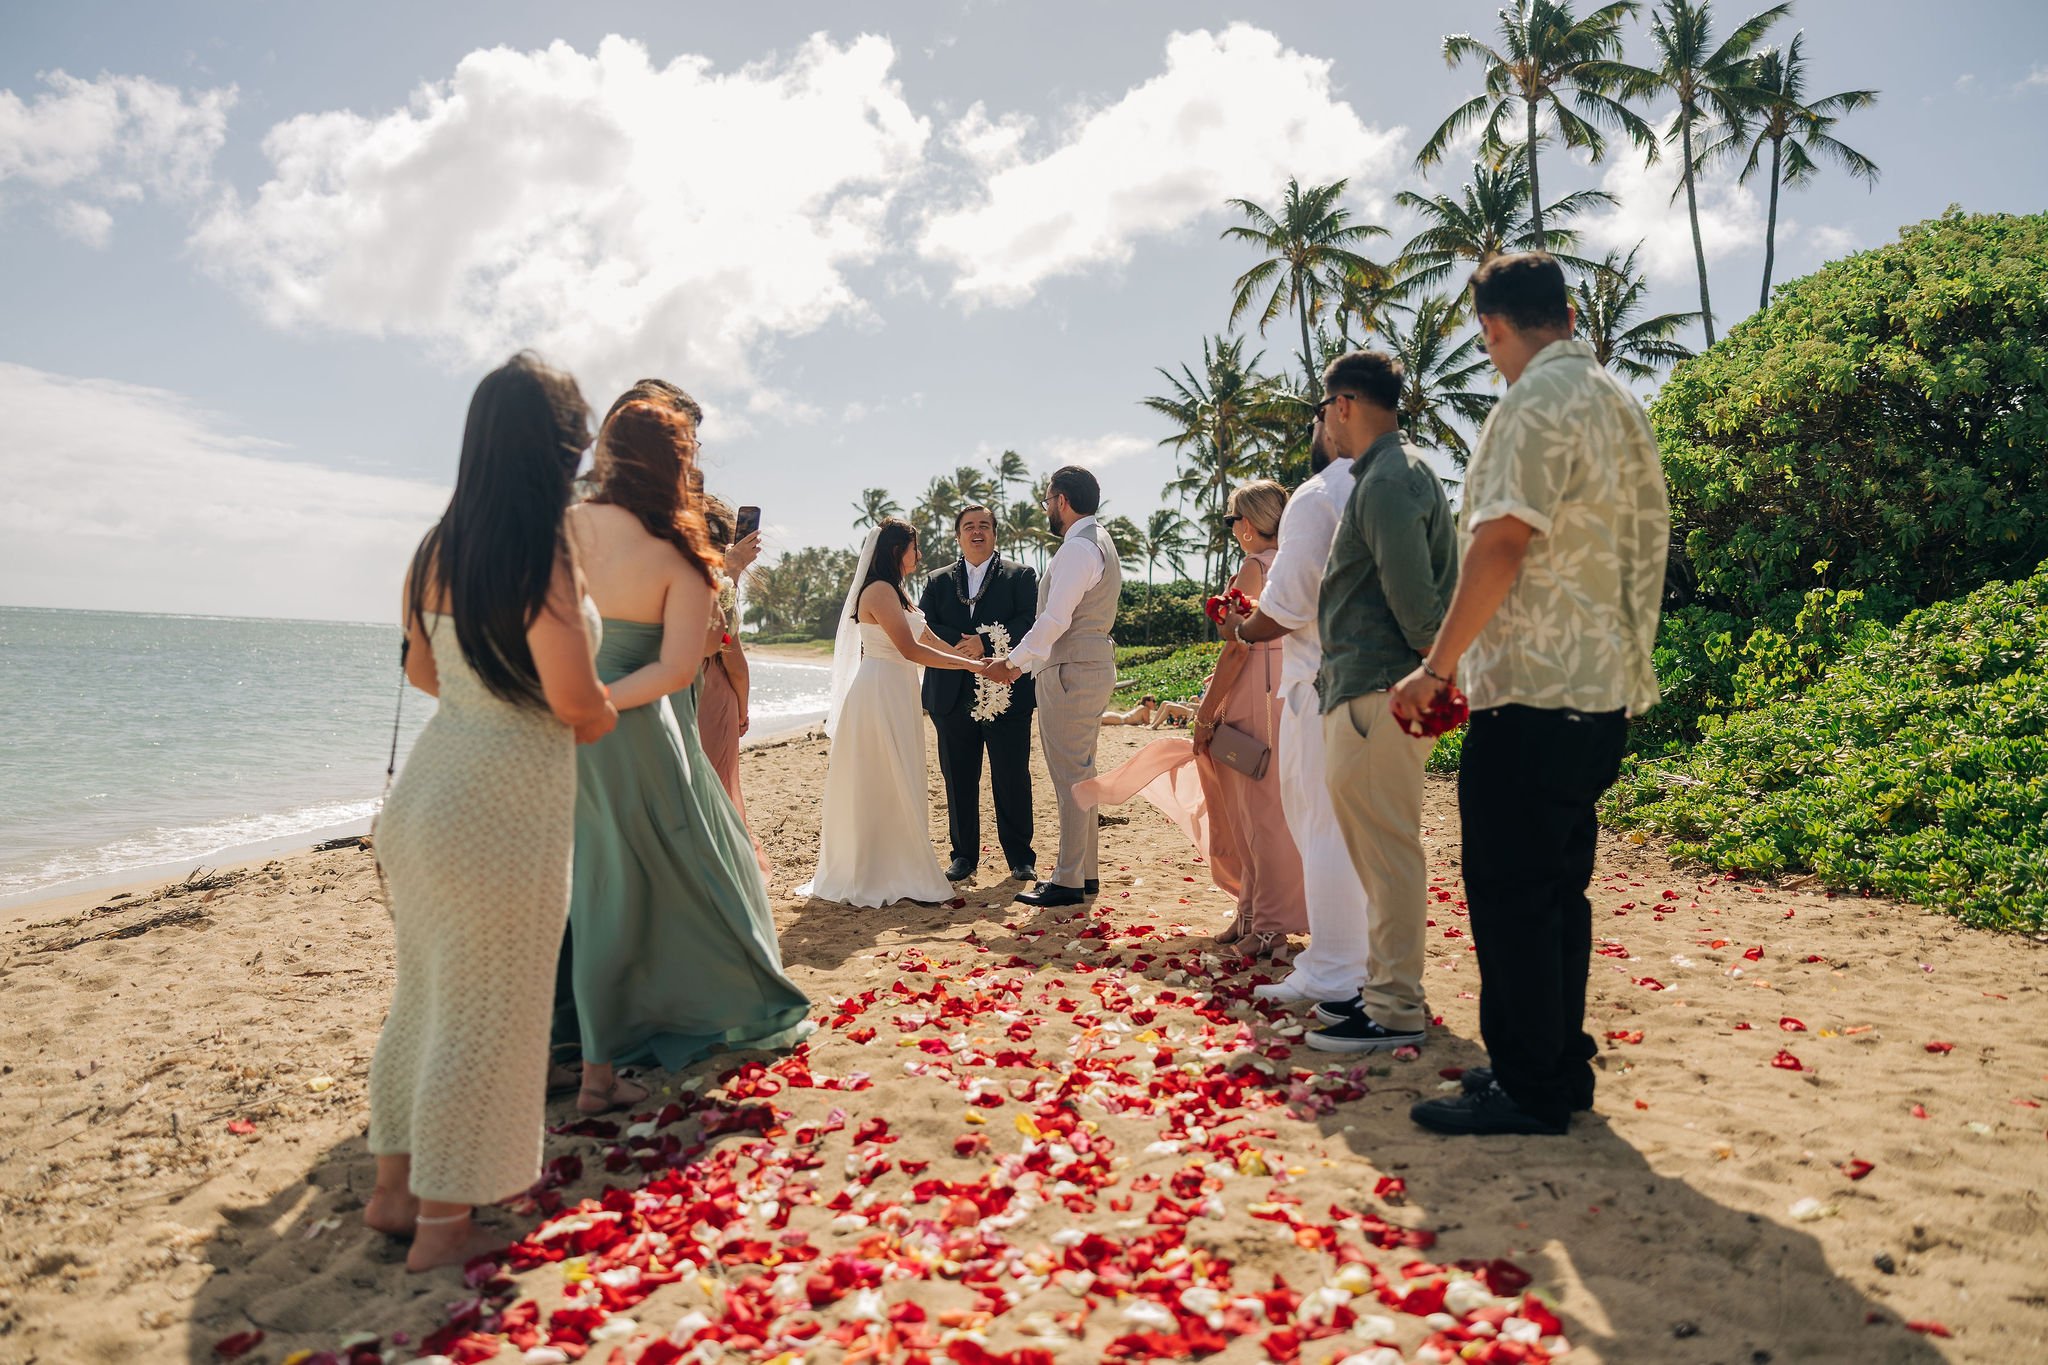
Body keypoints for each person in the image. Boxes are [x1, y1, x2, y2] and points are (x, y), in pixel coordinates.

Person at [1397, 252, 1669, 1137]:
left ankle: (1529, 1082)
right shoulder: (1616, 401)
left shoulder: (1534, 401)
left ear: (1496, 328)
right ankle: (1556, 1064)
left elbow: (1503, 542)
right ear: (1571, 311)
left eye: (1487, 344)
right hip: (1603, 688)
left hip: (1538, 687)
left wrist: (1438, 669)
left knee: (1512, 891)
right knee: (1558, 890)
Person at [367, 352, 617, 1273]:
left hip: (428, 794)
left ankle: (393, 1195)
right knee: (489, 1014)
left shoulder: (435, 548)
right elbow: (573, 698)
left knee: (424, 1000)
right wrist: (602, 710)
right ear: (550, 455)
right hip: (501, 807)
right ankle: (442, 1229)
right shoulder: (539, 557)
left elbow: (422, 673)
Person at [559, 394, 813, 1112]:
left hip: (558, 727)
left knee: (582, 887)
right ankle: (623, 1049)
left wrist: (566, 700)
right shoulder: (682, 556)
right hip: (637, 731)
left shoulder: (564, 530)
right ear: (679, 466)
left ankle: (572, 1044)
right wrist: (604, 701)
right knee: (671, 878)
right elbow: (677, 670)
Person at [1299, 350, 1458, 1054]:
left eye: (1325, 410)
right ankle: (1386, 990)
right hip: (1368, 688)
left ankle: (1395, 1002)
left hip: (1378, 691)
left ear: (1343, 407)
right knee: (1380, 849)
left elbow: (1419, 604)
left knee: (1389, 852)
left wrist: (1437, 674)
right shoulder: (1396, 471)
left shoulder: (1390, 478)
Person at [1220, 413, 1375, 1011]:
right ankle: (1328, 942)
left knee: (1302, 815)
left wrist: (1240, 627)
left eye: (1234, 518)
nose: (1233, 528)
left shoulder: (1314, 504)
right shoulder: (1396, 487)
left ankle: (1319, 952)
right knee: (1336, 821)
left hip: (1298, 685)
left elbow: (1270, 620)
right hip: (1366, 678)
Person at [801, 518, 992, 906]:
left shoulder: (900, 593)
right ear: (895, 551)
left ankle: (901, 860)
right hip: (879, 690)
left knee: (902, 773)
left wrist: (974, 657)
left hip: (899, 690)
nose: (919, 555)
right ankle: (879, 868)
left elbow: (929, 637)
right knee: (882, 777)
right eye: (914, 547)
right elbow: (910, 649)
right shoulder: (877, 592)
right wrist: (969, 667)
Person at [984, 467, 1122, 908]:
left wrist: (1013, 661)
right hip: (1088, 665)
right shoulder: (1100, 541)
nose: (1046, 508)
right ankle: (1084, 875)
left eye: (1047, 500)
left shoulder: (1078, 549)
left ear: (1062, 501)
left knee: (1070, 779)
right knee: (1083, 773)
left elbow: (1055, 619)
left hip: (1069, 671)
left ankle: (1066, 880)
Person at [1190, 481, 1308, 955]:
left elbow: (1237, 648)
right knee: (1266, 810)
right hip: (1284, 691)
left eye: (1232, 518)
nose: (1232, 527)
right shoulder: (1295, 564)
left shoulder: (1255, 566)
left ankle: (1268, 927)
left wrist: (1206, 712)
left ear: (1247, 523)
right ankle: (1251, 914)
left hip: (1253, 693)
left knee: (1256, 813)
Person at [918, 504, 1039, 884]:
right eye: (968, 526)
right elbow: (923, 624)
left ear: (995, 534)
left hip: (1007, 691)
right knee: (957, 779)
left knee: (1012, 776)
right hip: (950, 696)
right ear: (958, 536)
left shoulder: (1021, 576)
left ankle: (1020, 858)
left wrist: (985, 640)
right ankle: (963, 856)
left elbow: (1029, 620)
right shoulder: (937, 581)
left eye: (984, 526)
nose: (976, 532)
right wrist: (961, 642)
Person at [697, 493, 770, 878]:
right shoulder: (716, 581)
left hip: (674, 690)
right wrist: (742, 707)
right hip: (712, 691)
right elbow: (732, 655)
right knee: (718, 788)